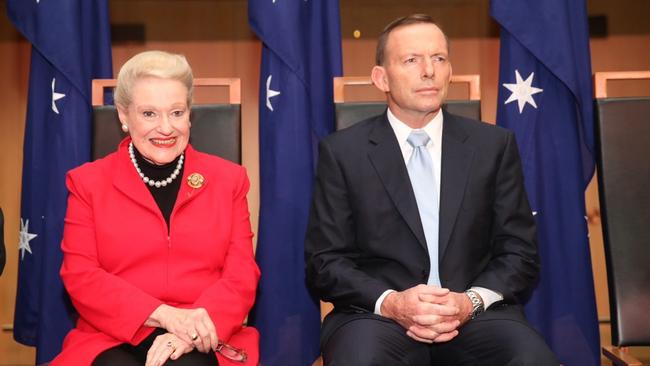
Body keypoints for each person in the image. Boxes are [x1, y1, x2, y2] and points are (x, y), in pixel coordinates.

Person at [305, 14, 558, 365]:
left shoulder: (493, 146)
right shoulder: (343, 153)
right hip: (375, 317)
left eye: (438, 59)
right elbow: (324, 262)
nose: (429, 71)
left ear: (450, 71)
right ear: (381, 78)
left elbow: (520, 253)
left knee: (533, 360)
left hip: (476, 315)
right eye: (411, 60)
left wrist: (468, 302)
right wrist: (392, 303)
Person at [52, 50, 260, 366]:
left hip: (203, 329)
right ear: (123, 115)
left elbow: (241, 274)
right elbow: (80, 275)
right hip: (112, 332)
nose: (166, 128)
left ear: (190, 113)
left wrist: (190, 329)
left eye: (176, 112)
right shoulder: (87, 184)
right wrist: (164, 316)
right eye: (149, 114)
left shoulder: (229, 180)